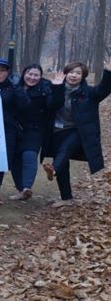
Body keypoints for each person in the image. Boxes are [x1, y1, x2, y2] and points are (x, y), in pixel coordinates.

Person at [41, 60, 111, 206]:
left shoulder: (89, 93)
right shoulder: (55, 88)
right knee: (63, 162)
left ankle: (53, 169)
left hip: (78, 131)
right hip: (57, 131)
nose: (74, 75)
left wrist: (108, 73)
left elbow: (104, 89)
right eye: (71, 72)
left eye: (78, 73)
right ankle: (66, 198)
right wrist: (57, 88)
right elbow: (53, 105)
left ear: (83, 76)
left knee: (64, 150)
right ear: (66, 74)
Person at [8, 64, 64, 201]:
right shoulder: (15, 85)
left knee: (29, 155)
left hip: (35, 129)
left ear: (40, 76)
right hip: (15, 128)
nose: (32, 78)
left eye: (36, 75)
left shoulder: (45, 88)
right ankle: (21, 189)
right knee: (15, 159)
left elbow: (54, 104)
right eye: (29, 74)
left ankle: (27, 187)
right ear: (24, 73)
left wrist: (57, 87)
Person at [0, 58, 31, 206]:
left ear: (8, 72)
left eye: (2, 71)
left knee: (1, 162)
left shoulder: (13, 88)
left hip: (8, 131)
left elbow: (25, 105)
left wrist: (18, 88)